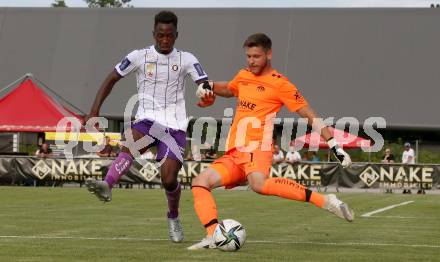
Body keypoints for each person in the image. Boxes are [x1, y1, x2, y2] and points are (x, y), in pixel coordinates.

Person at [188, 33, 353, 250]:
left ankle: (324, 200)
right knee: (200, 182)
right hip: (234, 152)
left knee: (258, 184)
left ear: (269, 54)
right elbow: (229, 88)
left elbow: (308, 113)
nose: (251, 61)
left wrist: (333, 144)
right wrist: (208, 85)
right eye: (248, 56)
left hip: (258, 148)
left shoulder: (280, 84)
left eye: (256, 56)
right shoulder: (243, 75)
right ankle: (213, 235)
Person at [83, 11, 210, 243]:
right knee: (131, 139)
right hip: (147, 120)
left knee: (169, 179)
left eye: (169, 36)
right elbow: (111, 78)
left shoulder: (187, 59)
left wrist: (205, 92)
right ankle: (107, 184)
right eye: (160, 35)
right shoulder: (139, 56)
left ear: (176, 35)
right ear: (153, 34)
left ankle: (173, 216)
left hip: (175, 126)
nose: (164, 40)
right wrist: (94, 112)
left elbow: (203, 81)